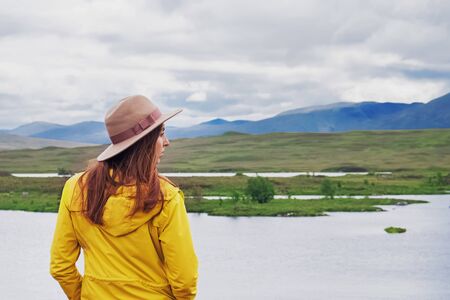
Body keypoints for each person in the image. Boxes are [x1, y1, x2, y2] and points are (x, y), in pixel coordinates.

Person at [50, 95, 198, 299]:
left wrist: (84, 296)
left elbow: (60, 266)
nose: (167, 142)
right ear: (144, 142)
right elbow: (185, 282)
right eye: (161, 134)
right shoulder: (166, 197)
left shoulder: (75, 187)